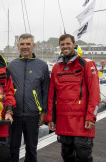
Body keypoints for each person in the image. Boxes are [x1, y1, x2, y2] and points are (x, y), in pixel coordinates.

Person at [45, 34, 100, 162]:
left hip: (82, 121)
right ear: (60, 46)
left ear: (74, 44)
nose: (65, 46)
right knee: (67, 155)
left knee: (83, 155)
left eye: (68, 44)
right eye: (62, 44)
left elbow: (95, 94)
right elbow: (52, 95)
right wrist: (50, 118)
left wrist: (92, 116)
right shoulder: (56, 67)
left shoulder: (87, 64)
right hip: (63, 120)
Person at [7, 33, 50, 162]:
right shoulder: (11, 66)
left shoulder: (42, 66)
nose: (25, 47)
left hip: (33, 114)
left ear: (33, 46)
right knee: (12, 147)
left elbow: (45, 90)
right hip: (15, 113)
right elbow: (6, 89)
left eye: (28, 44)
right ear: (18, 46)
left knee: (31, 147)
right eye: (22, 44)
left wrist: (44, 111)